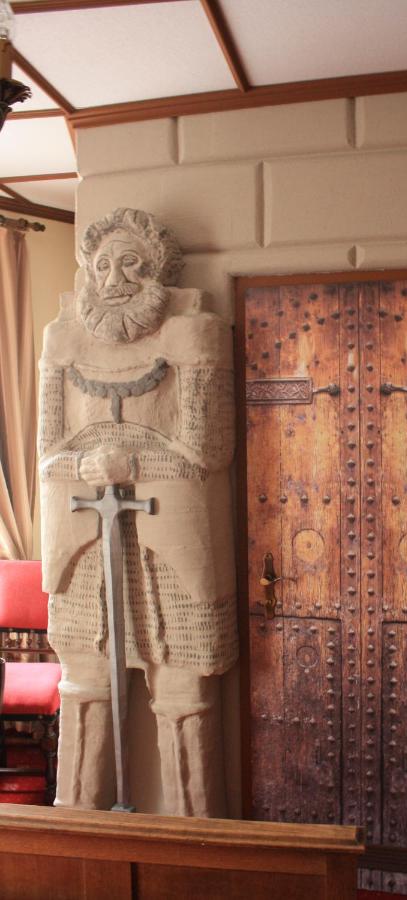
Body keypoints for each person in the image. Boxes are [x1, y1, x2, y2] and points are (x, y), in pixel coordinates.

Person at [38, 207, 237, 815]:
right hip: (86, 546)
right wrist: (89, 466)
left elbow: (207, 449)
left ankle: (194, 846)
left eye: (131, 264)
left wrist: (130, 461)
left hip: (169, 547)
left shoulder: (194, 333)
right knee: (83, 685)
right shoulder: (61, 340)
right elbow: (48, 454)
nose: (114, 279)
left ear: (158, 270)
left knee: (182, 691)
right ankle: (79, 841)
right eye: (102, 265)